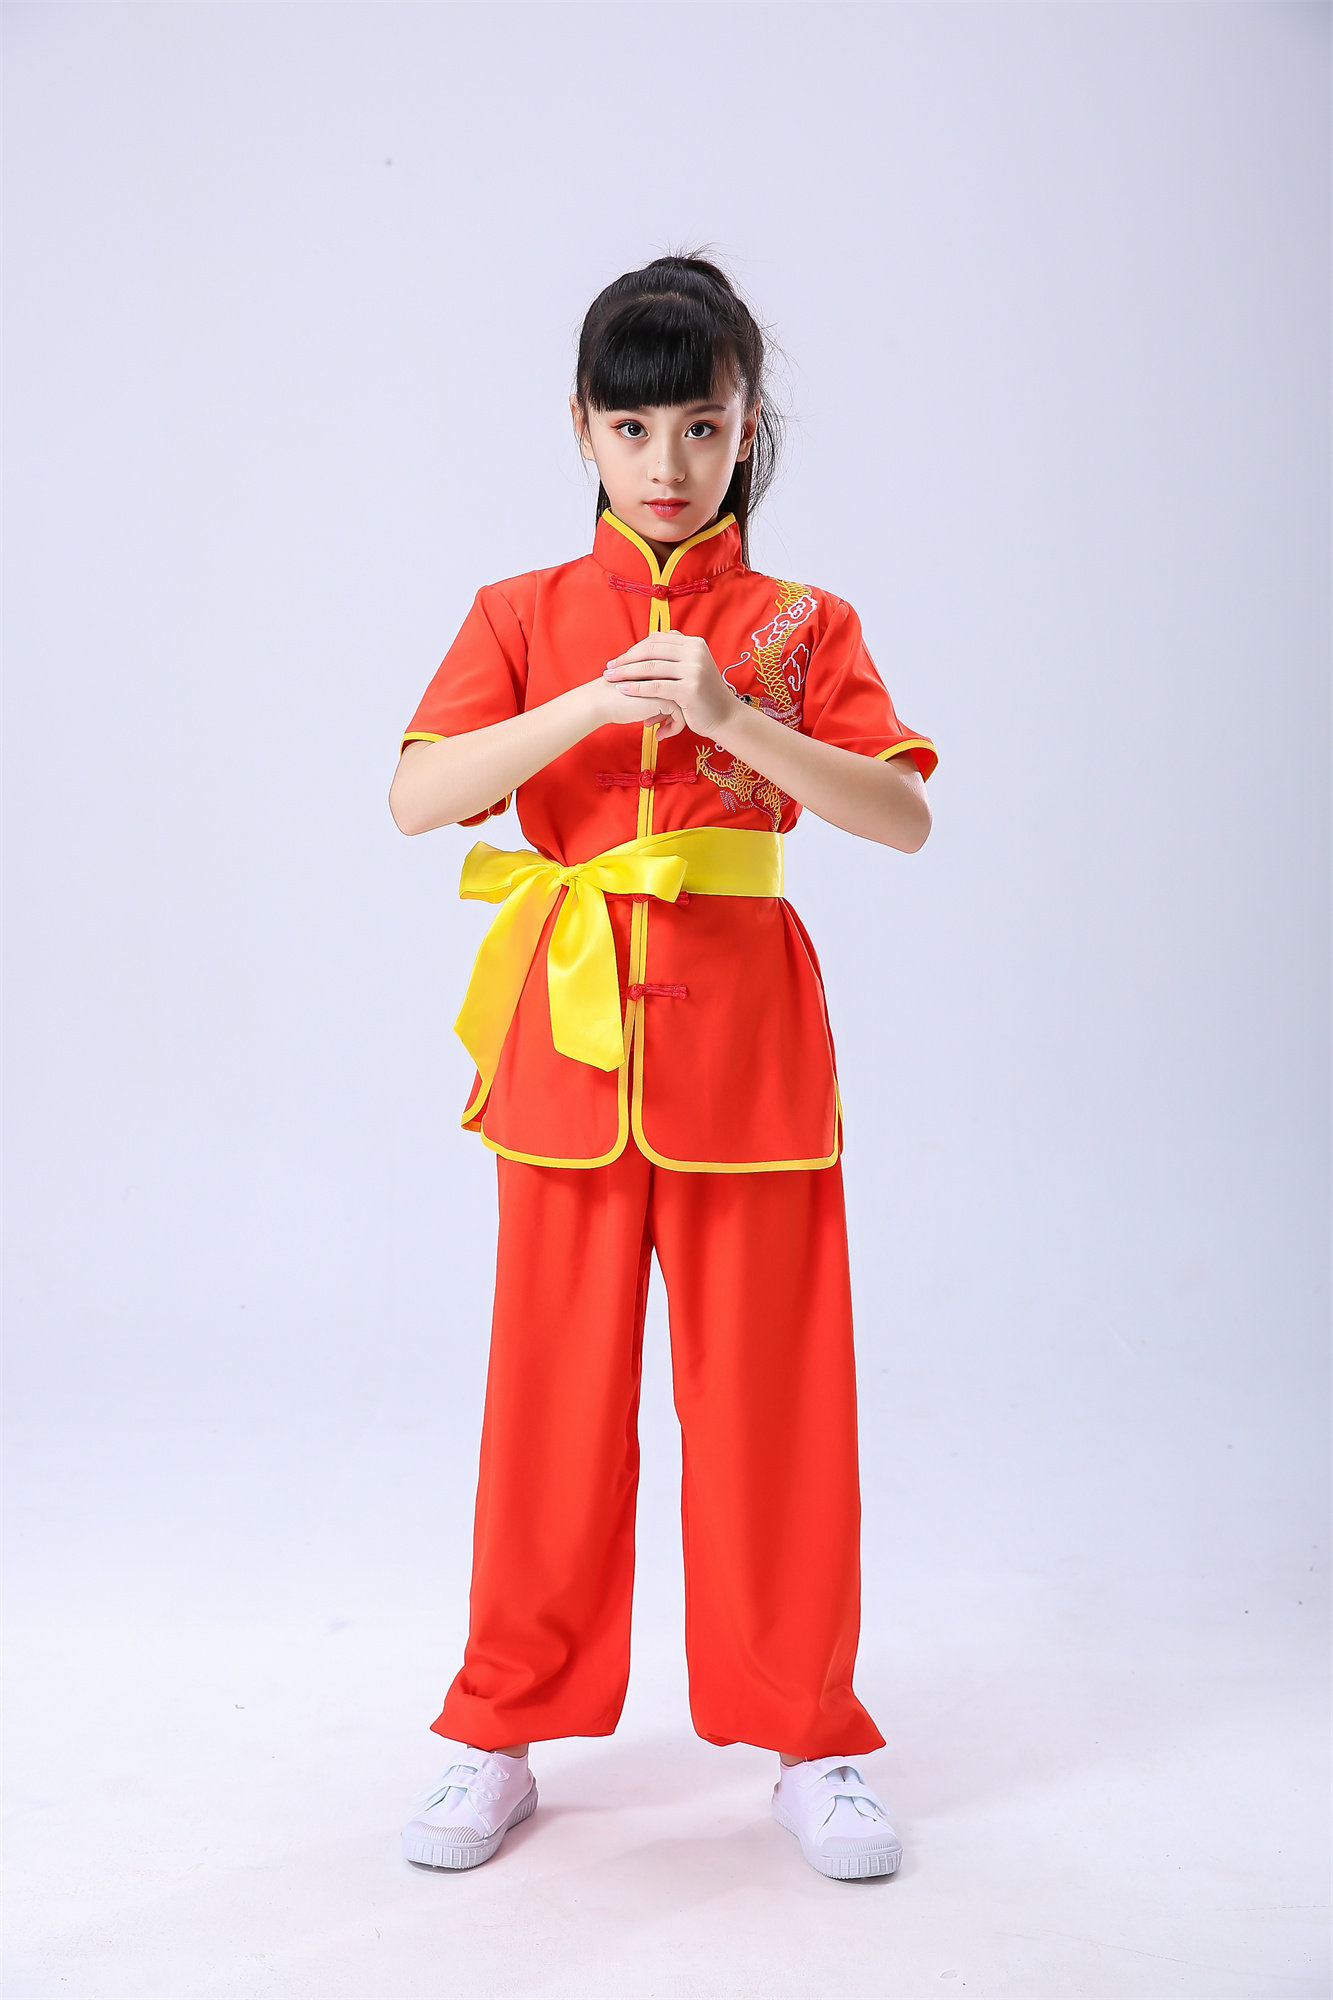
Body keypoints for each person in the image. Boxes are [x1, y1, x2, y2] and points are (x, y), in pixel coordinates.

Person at [388, 254, 937, 1882]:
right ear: (582, 428)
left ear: (744, 424)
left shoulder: (800, 625)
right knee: (547, 1410)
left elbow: (901, 815)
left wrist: (729, 715)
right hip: (567, 1050)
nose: (668, 462)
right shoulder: (519, 613)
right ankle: (497, 1729)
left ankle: (811, 1736)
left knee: (774, 1407)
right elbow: (418, 798)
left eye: (700, 425)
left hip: (748, 1058)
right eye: (632, 428)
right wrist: (579, 708)